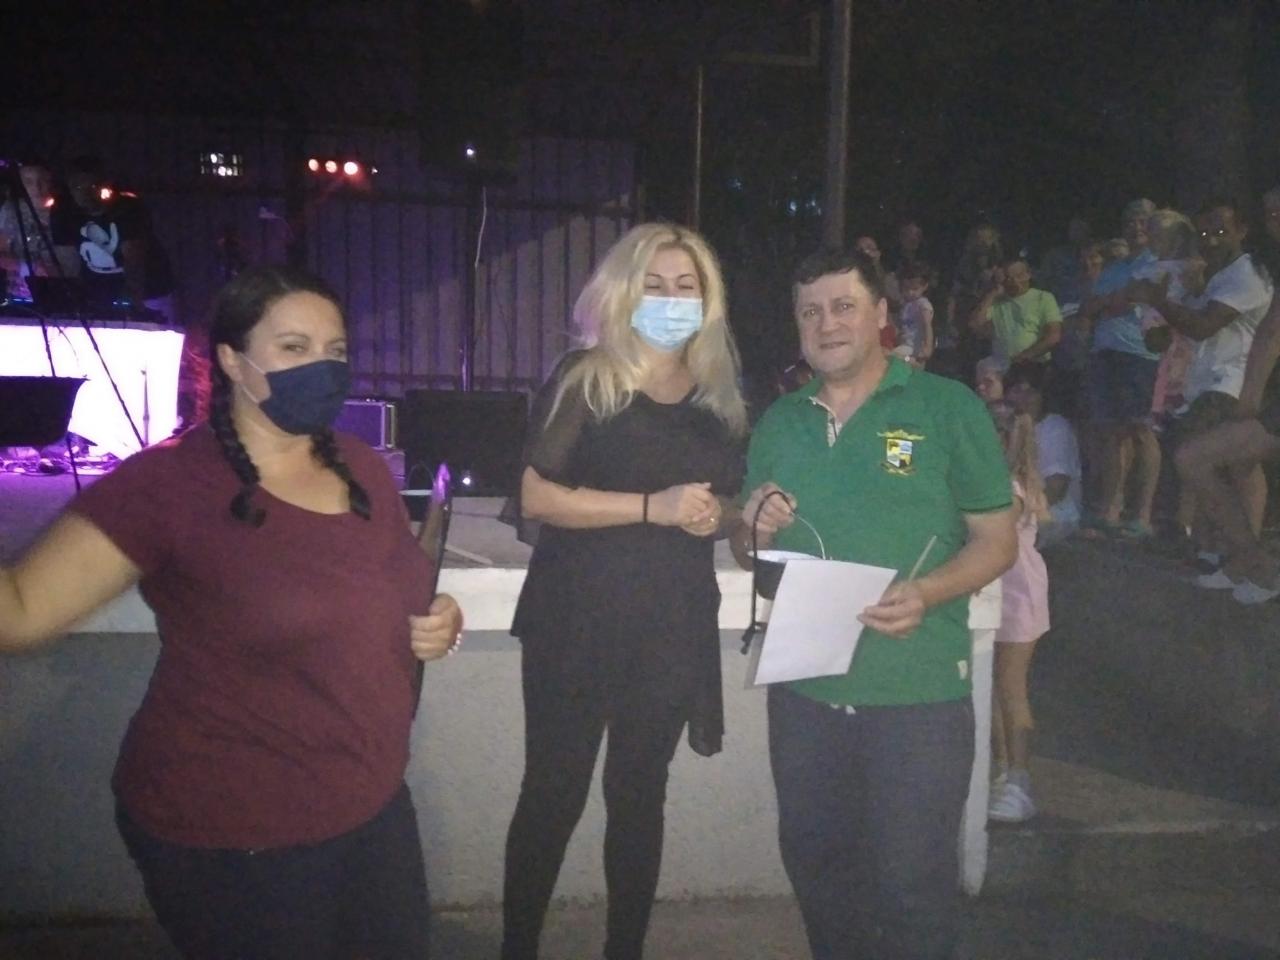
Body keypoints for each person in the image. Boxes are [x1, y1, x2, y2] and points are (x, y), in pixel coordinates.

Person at [0, 265, 464, 959]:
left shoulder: (361, 465)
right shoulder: (170, 483)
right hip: (238, 829)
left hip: (370, 800)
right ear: (231, 361)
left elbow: (400, 586)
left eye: (335, 350)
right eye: (294, 347)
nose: (322, 367)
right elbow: (19, 612)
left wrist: (440, 620)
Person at [732, 246, 1016, 960]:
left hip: (916, 696)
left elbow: (997, 542)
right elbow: (747, 551)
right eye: (810, 312)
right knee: (819, 875)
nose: (826, 324)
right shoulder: (780, 421)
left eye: (843, 306)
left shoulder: (945, 407)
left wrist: (926, 591)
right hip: (804, 695)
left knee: (912, 889)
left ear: (881, 314)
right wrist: (751, 528)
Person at [500, 223, 747, 960]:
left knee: (640, 798)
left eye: (686, 286)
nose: (671, 300)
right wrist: (653, 507)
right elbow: (536, 496)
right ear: (623, 291)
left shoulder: (717, 397)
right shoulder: (588, 376)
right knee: (554, 793)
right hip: (575, 617)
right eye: (655, 285)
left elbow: (726, 501)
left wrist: (723, 514)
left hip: (671, 622)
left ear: (707, 300)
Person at [1131, 199, 1276, 600]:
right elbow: (1174, 333)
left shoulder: (1247, 274)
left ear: (1242, 230)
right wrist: (1159, 314)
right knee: (1233, 469)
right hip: (1211, 383)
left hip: (1233, 387)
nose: (1211, 239)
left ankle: (1239, 557)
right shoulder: (1216, 276)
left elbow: (1202, 326)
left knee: (1205, 463)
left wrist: (1160, 301)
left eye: (1221, 231)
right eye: (1206, 232)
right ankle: (1232, 557)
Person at [1172, 188, 1280, 603]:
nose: (1275, 218)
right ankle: (1253, 563)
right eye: (1270, 211)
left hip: (1231, 384)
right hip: (1255, 394)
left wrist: (1248, 397)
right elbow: (1270, 333)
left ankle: (1248, 563)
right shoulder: (1254, 268)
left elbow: (1265, 334)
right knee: (1199, 459)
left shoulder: (1250, 271)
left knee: (1230, 464)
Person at [985, 401, 1051, 823]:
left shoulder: (1009, 487)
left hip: (1016, 593)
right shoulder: (1003, 481)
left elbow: (993, 536)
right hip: (997, 590)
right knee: (991, 685)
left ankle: (1020, 780)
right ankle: (1002, 771)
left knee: (1011, 686)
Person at [1080, 198, 1161, 539]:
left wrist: (1113, 301)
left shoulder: (1157, 262)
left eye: (1143, 220)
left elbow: (1137, 298)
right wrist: (1116, 300)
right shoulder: (1115, 267)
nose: (1136, 226)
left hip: (1139, 354)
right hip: (1105, 352)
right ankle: (1111, 508)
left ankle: (1142, 514)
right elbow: (1090, 306)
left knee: (1141, 429)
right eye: (1130, 220)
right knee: (1112, 432)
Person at [51, 155, 176, 319]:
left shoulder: (128, 207)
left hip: (149, 291)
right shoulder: (63, 211)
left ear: (106, 185)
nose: (85, 194)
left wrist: (135, 305)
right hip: (98, 295)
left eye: (92, 186)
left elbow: (134, 260)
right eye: (78, 187)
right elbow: (67, 262)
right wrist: (71, 302)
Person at [1005, 361, 1082, 545]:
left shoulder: (1055, 428)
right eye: (1017, 390)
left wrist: (1018, 514)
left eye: (1031, 392)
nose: (1023, 398)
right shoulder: (1001, 426)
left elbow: (1056, 489)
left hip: (1053, 513)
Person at [969, 257, 1063, 367]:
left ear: (1028, 275)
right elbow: (975, 325)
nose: (1015, 282)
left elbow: (1053, 336)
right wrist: (992, 294)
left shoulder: (1043, 298)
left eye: (1019, 276)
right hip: (1001, 366)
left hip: (1034, 364)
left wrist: (1024, 356)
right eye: (1009, 278)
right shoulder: (997, 302)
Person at [893, 261, 935, 368]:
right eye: (906, 289)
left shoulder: (923, 304)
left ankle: (911, 360)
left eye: (915, 289)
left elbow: (927, 325)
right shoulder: (905, 305)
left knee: (892, 358)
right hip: (905, 346)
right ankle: (909, 360)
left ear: (924, 286)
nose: (910, 292)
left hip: (915, 349)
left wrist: (928, 347)